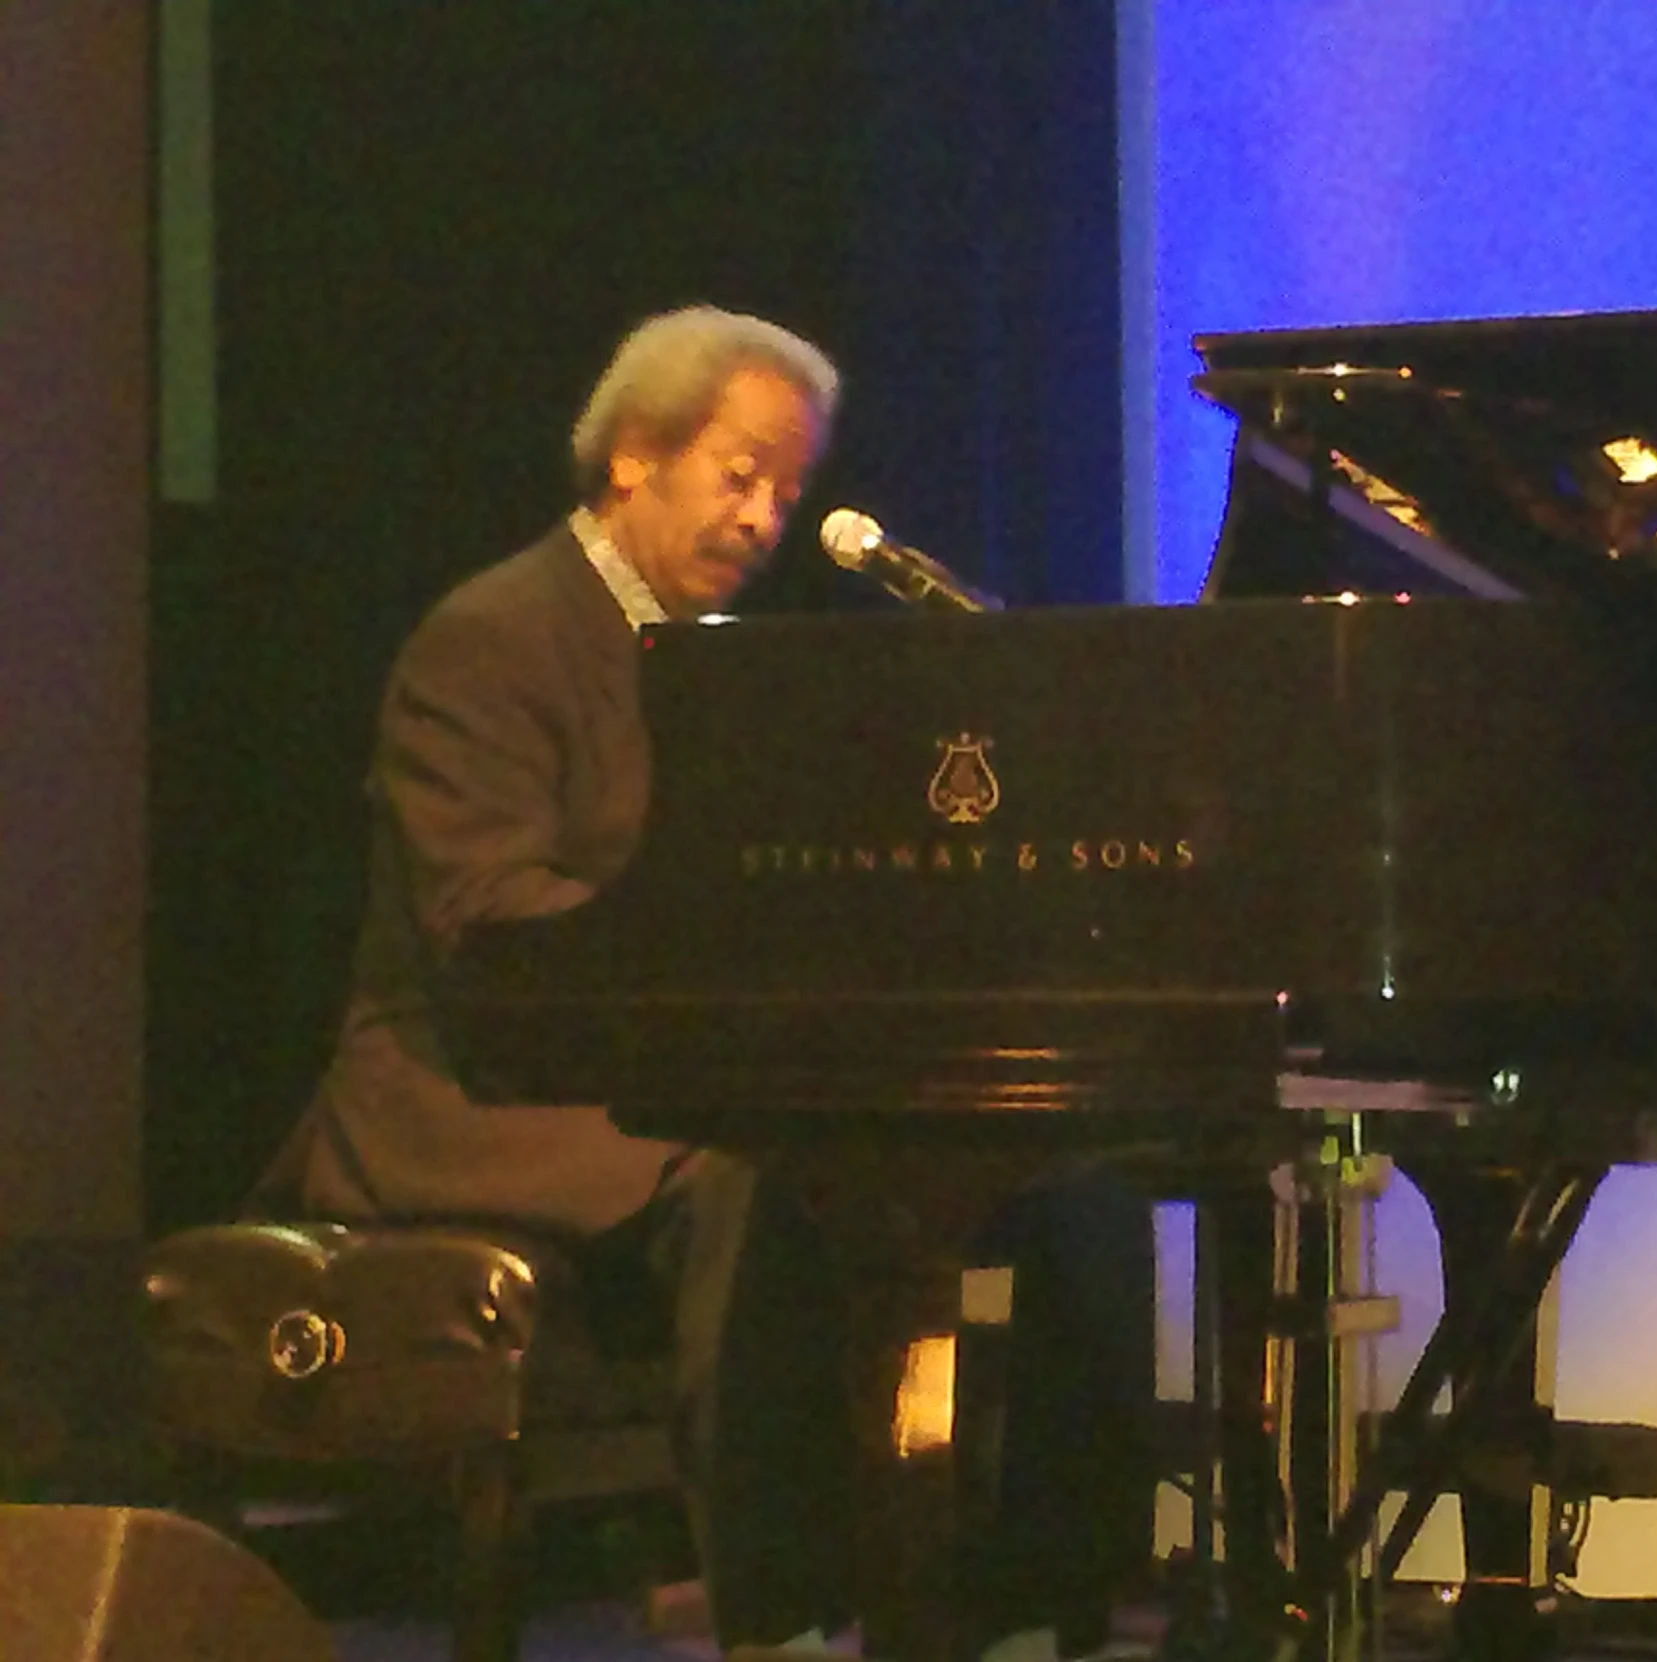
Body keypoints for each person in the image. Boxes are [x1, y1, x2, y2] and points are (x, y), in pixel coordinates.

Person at [262, 306, 1153, 1659]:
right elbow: (484, 921)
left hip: (653, 1067)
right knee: (759, 1168)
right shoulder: (490, 637)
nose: (765, 515)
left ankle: (1035, 1600)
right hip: (471, 1090)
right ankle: (779, 1613)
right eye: (739, 473)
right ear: (634, 459)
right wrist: (714, 975)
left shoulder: (725, 662)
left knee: (1053, 1155)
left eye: (787, 490)